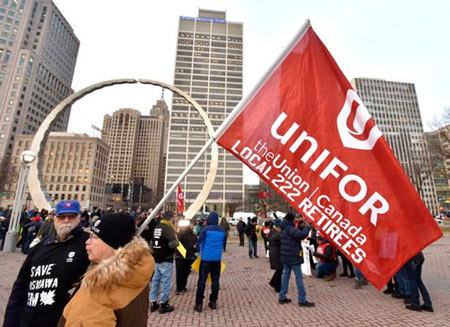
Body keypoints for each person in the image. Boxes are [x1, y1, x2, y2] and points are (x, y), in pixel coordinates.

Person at [58, 212, 154, 326]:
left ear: (113, 245)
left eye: (94, 237)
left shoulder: (98, 291)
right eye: (89, 236)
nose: (87, 242)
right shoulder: (137, 270)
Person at [3, 200, 90, 327]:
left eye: (71, 216)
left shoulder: (87, 244)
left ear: (79, 218)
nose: (66, 220)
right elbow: (20, 286)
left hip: (61, 321)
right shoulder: (41, 246)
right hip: (28, 320)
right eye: (62, 216)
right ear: (55, 218)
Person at [279, 213, 314, 307]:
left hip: (286, 256)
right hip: (293, 256)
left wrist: (300, 227)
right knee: (299, 278)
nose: (297, 219)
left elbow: (295, 235)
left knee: (285, 276)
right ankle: (302, 300)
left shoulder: (285, 227)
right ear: (291, 219)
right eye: (295, 218)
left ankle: (282, 296)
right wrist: (307, 227)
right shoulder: (290, 228)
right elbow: (301, 235)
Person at [194, 211, 225, 312]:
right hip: (217, 259)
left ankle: (199, 304)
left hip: (206, 259)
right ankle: (213, 302)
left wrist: (197, 249)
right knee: (215, 281)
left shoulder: (205, 230)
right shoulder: (222, 231)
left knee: (202, 281)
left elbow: (199, 243)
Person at [149, 211, 179, 314]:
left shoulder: (157, 227)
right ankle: (164, 303)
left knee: (155, 280)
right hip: (166, 258)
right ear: (170, 218)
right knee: (166, 281)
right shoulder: (168, 228)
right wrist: (177, 241)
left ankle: (153, 302)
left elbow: (151, 242)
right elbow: (172, 244)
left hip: (156, 257)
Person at [175, 219, 197, 295]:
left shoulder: (191, 234)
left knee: (182, 272)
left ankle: (181, 287)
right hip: (184, 256)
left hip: (183, 256)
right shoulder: (184, 234)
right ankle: (180, 287)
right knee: (183, 272)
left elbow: (194, 244)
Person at [268, 218, 282, 292]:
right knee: (280, 270)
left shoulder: (272, 232)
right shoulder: (277, 234)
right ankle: (277, 287)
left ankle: (273, 282)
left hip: (274, 253)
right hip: (276, 254)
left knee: (279, 270)